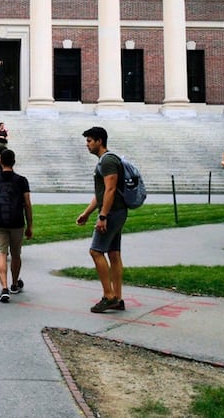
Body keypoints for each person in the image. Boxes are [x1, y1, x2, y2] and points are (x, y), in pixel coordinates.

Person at [77, 126, 129, 313]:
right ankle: (118, 297)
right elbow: (101, 193)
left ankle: (109, 296)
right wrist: (87, 212)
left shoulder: (107, 162)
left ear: (99, 141)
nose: (87, 144)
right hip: (115, 211)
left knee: (96, 251)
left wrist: (103, 216)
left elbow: (110, 190)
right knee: (113, 253)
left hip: (112, 213)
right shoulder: (105, 161)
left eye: (89, 141)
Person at [0, 149, 33, 303]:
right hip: (17, 221)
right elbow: (27, 204)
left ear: (0, 162)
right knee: (16, 254)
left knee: (1, 254)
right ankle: (14, 283)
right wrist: (29, 224)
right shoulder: (21, 180)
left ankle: (4, 287)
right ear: (14, 161)